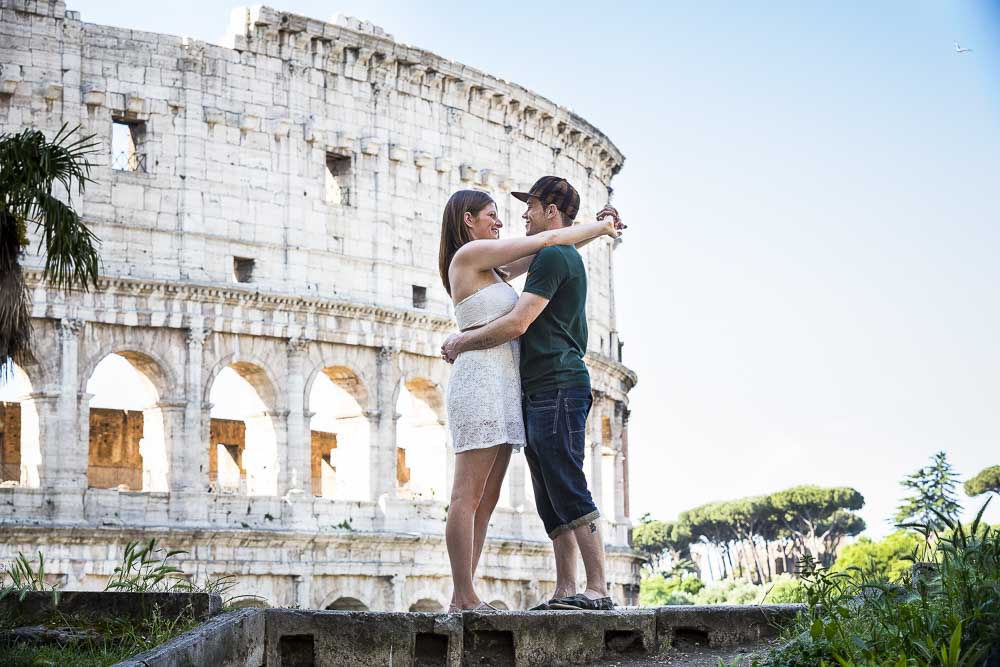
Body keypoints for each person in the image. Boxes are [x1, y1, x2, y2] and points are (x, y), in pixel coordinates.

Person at [442, 176, 622, 611]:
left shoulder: (508, 265)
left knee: (489, 499)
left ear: (551, 211)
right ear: (468, 221)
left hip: (512, 385)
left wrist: (593, 232)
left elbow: (554, 247)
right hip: (485, 383)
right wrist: (600, 229)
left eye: (529, 207)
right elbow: (553, 243)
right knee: (469, 497)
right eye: (491, 216)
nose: (509, 219)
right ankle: (463, 595)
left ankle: (575, 587)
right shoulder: (470, 254)